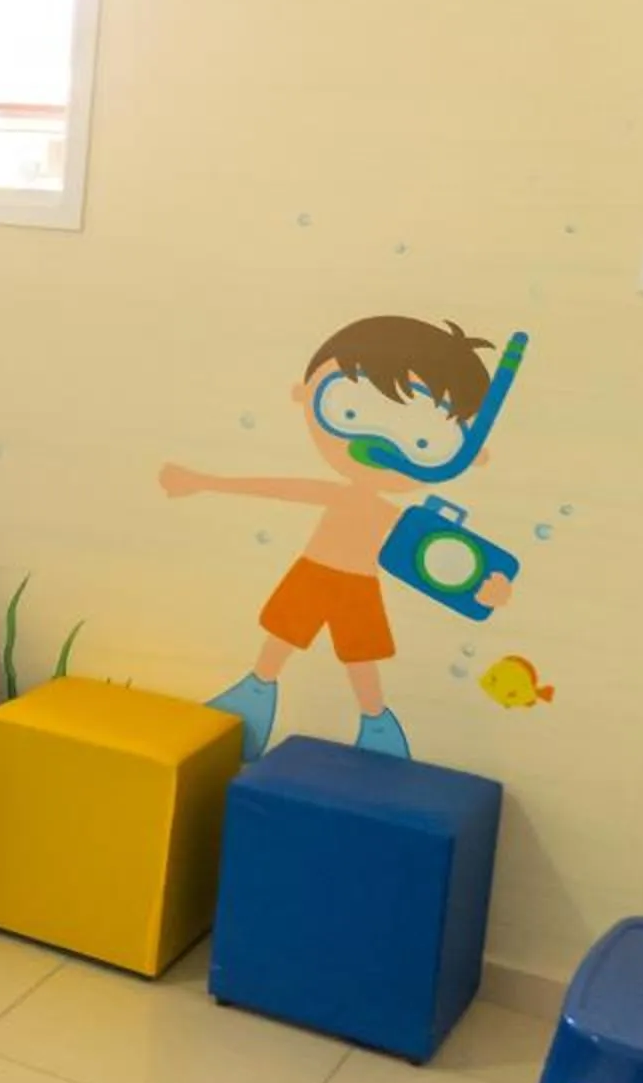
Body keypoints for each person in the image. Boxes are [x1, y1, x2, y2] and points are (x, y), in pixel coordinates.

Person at [161, 315, 514, 761]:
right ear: (303, 394)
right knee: (282, 638)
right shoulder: (345, 497)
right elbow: (283, 489)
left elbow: (445, 566)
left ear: (470, 456)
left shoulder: (403, 520)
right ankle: (257, 693)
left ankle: (375, 721)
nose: (378, 447)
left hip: (358, 586)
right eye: (349, 411)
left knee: (360, 658)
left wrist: (489, 590)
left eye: (425, 441)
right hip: (314, 572)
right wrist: (205, 482)